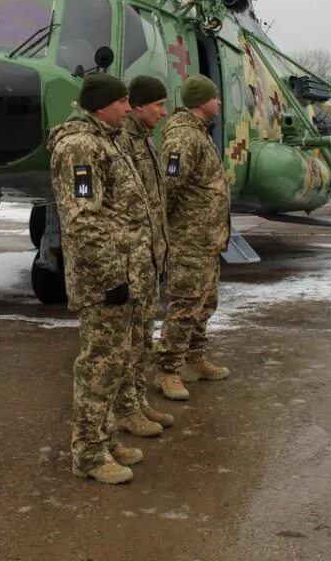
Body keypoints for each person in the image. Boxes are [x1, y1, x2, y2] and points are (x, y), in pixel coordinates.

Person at [48, 73, 159, 485]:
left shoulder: (106, 139)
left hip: (126, 276)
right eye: (123, 102)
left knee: (115, 364)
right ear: (101, 105)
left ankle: (106, 439)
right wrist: (112, 277)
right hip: (105, 281)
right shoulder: (81, 145)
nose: (128, 109)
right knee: (99, 366)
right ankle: (90, 455)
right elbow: (84, 220)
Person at [155, 74, 231, 402]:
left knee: (204, 301)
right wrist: (168, 231)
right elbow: (169, 187)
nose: (219, 102)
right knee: (185, 304)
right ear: (201, 102)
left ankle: (194, 359)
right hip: (189, 238)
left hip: (207, 237)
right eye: (215, 98)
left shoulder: (200, 133)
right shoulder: (184, 137)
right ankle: (169, 370)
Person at [114, 76, 174, 439]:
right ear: (138, 106)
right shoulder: (124, 142)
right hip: (131, 256)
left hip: (149, 256)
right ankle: (124, 410)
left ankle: (136, 401)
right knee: (129, 340)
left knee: (142, 338)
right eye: (158, 106)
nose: (164, 113)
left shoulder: (145, 141)